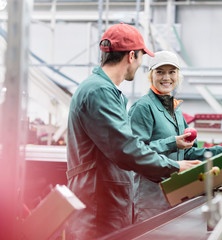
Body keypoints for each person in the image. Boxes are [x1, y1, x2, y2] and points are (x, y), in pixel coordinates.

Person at [66, 24, 201, 240]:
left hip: (108, 203)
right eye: (141, 58)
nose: (139, 65)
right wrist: (174, 166)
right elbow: (126, 148)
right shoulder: (99, 91)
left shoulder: (105, 91)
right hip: (99, 206)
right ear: (131, 56)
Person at [128, 50, 222, 223]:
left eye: (171, 72)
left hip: (176, 197)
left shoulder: (175, 109)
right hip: (151, 200)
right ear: (151, 75)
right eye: (160, 72)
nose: (166, 77)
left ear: (178, 76)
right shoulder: (143, 107)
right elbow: (135, 153)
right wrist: (172, 143)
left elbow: (188, 154)